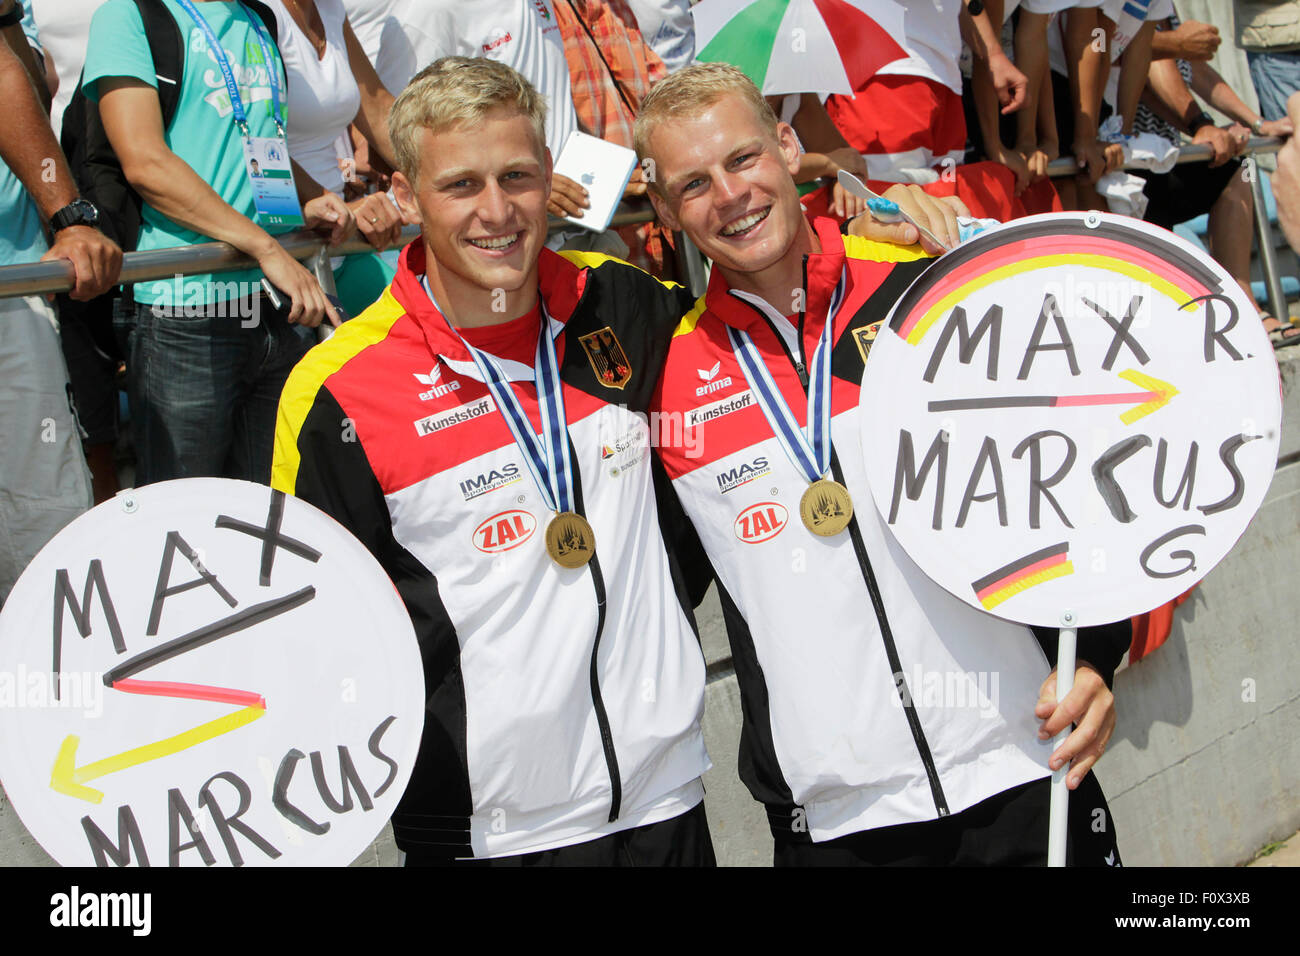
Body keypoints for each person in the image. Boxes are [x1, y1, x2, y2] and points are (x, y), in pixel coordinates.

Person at [636, 62, 1129, 866]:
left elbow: (1070, 483)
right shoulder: (664, 378)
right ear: (663, 210)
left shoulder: (927, 296)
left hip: (1026, 768)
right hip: (838, 827)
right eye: (692, 183)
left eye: (743, 158)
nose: (728, 195)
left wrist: (1099, 657)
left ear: (790, 148)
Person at [270, 56, 715, 864]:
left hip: (666, 800)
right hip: (481, 830)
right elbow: (313, 619)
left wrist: (882, 234)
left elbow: (765, 377)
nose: (497, 211)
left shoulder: (624, 302)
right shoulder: (337, 390)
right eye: (461, 185)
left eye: (516, 176)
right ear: (404, 197)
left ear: (550, 174)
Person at [83, 0, 352, 486]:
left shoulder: (258, 16)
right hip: (182, 309)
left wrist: (308, 202)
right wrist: (266, 248)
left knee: (273, 501)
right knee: (185, 508)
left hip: (274, 302)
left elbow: (257, 142)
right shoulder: (128, 14)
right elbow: (145, 163)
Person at [0, 15, 122, 603]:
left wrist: (68, 216)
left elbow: (17, 75)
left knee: (44, 532)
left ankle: (50, 689)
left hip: (13, 280)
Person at [268, 0, 403, 317]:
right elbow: (251, 141)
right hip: (284, 255)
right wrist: (329, 204)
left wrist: (446, 182)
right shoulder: (258, 11)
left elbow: (380, 109)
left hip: (341, 241)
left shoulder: (330, 9)